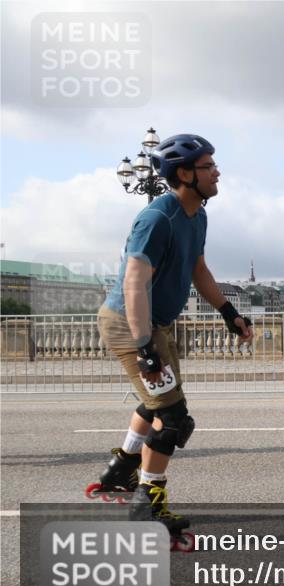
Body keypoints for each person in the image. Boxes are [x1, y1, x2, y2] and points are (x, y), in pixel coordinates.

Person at [92, 133, 253, 535]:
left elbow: (198, 269)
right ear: (184, 173)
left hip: (156, 324)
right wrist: (145, 346)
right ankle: (147, 507)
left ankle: (120, 469)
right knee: (174, 418)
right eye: (208, 166)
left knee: (157, 402)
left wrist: (229, 312)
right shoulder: (157, 218)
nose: (218, 172)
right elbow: (134, 282)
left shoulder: (197, 215)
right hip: (130, 324)